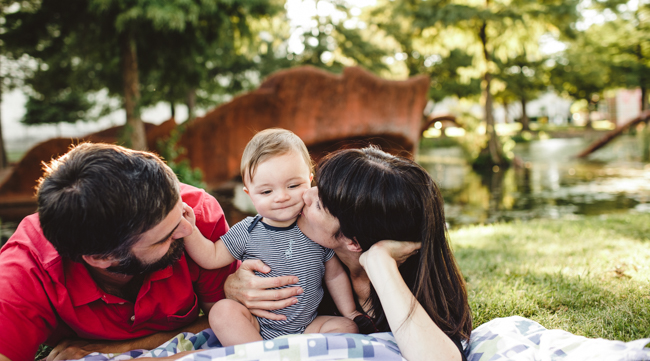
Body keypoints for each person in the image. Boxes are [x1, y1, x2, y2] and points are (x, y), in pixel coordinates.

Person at [0, 143, 244, 361]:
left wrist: (120, 349)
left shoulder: (198, 214)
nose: (187, 230)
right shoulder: (28, 266)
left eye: (180, 213)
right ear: (101, 258)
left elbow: (228, 318)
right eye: (165, 238)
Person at [226, 146, 472, 361]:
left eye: (320, 204)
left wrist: (379, 261)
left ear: (353, 241)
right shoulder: (298, 248)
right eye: (316, 185)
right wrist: (232, 286)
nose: (305, 194)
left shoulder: (416, 287)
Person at [183, 128, 359, 346]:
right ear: (250, 194)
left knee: (347, 328)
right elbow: (211, 256)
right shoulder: (247, 231)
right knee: (221, 312)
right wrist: (190, 229)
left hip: (308, 328)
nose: (282, 197)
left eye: (293, 185)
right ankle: (260, 355)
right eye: (266, 192)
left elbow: (334, 276)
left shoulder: (316, 230)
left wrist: (350, 312)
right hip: (257, 327)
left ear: (310, 181)